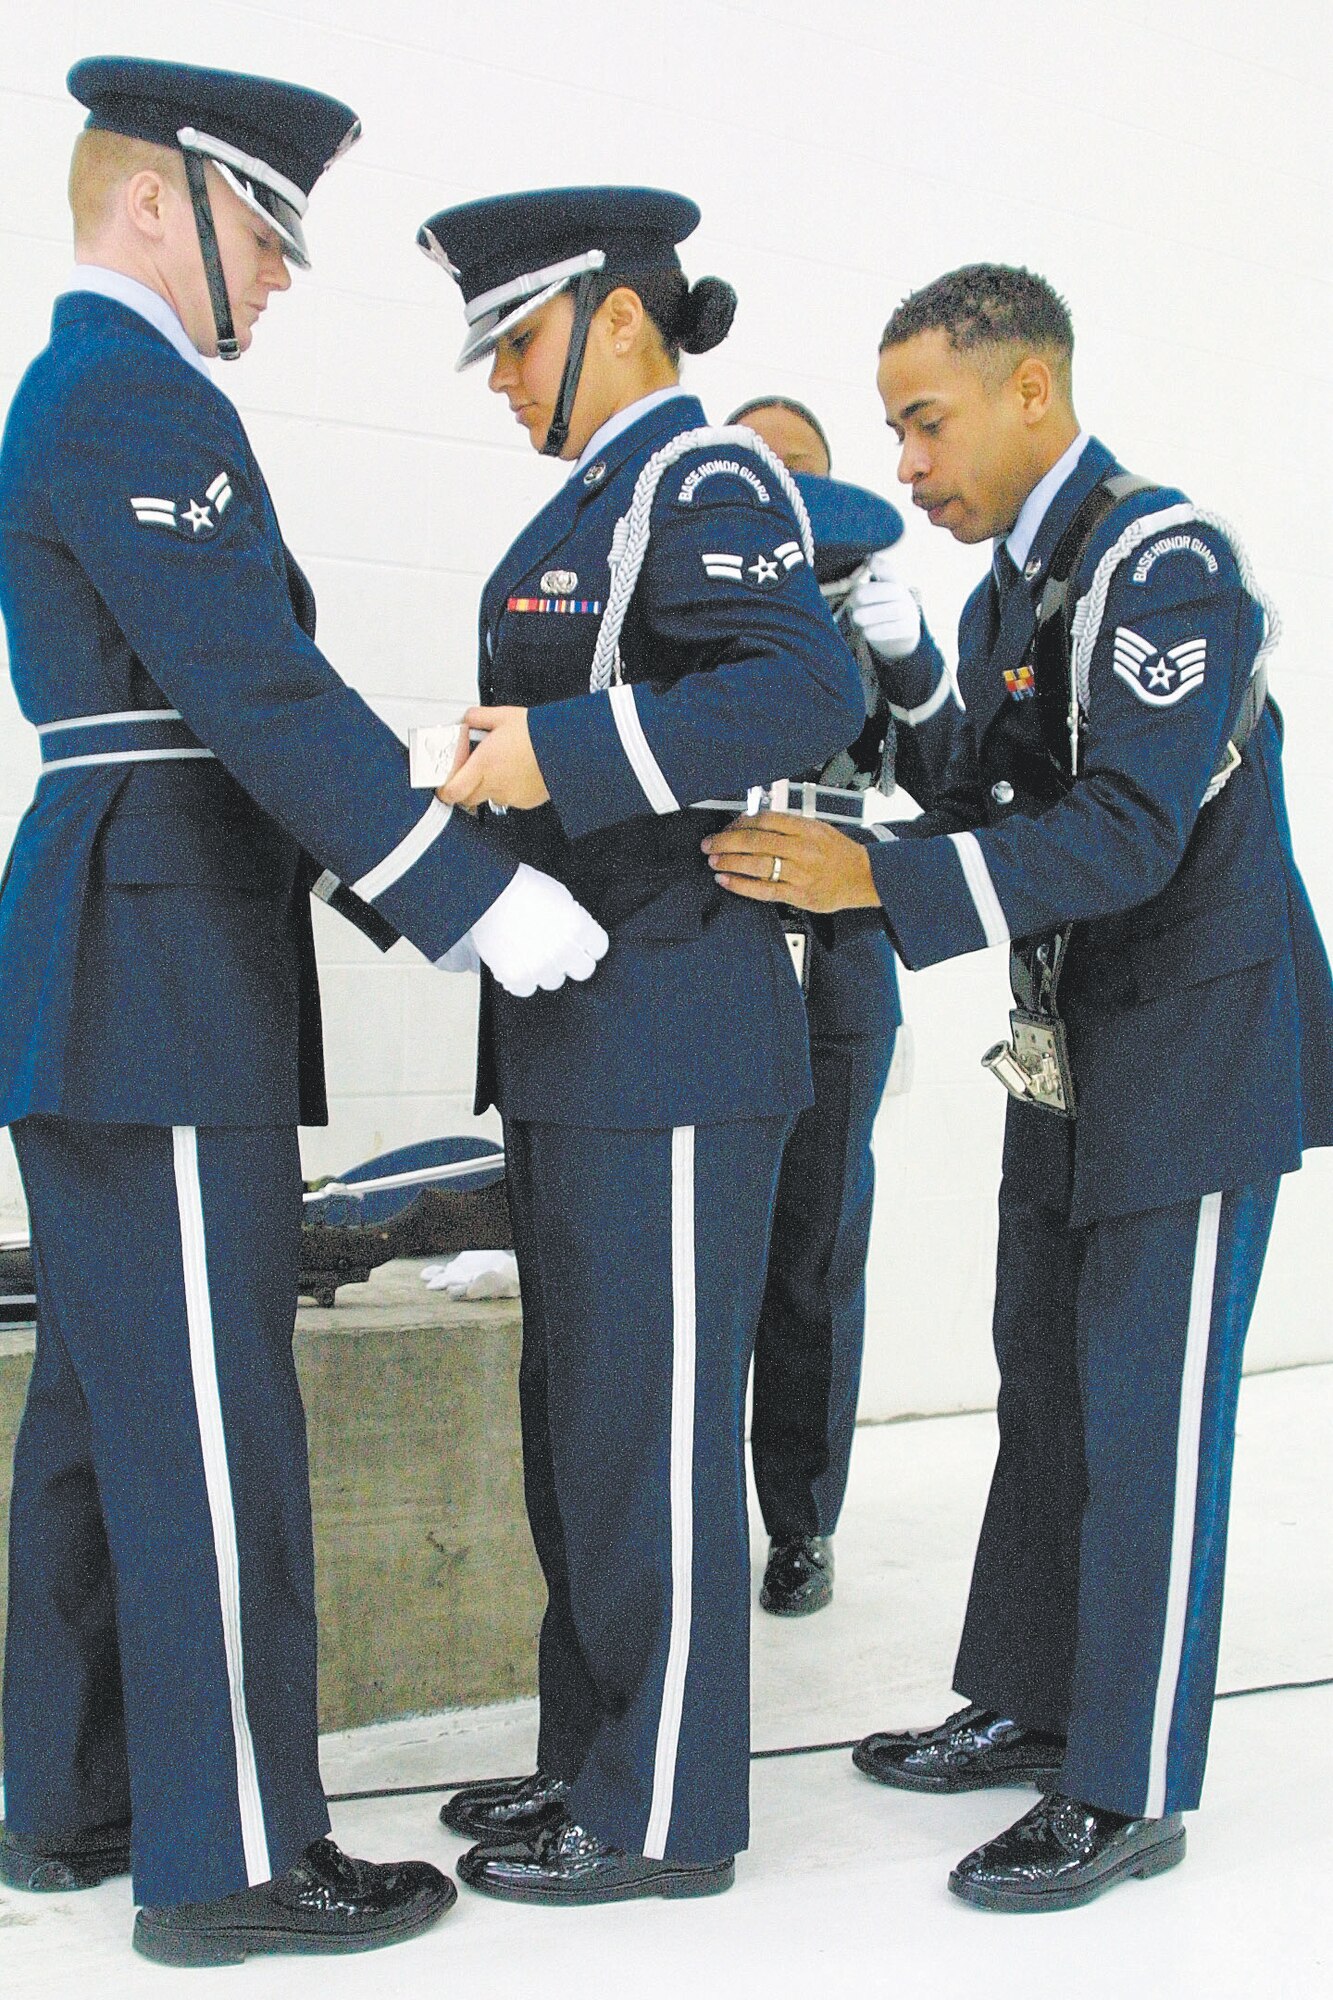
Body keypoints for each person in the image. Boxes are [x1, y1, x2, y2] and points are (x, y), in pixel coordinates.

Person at [0, 57, 606, 1968]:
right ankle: (234, 1860)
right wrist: (459, 890)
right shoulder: (122, 391)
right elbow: (254, 690)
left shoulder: (100, 393)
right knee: (205, 1423)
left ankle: (73, 1800)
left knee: (110, 1411)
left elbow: (245, 702)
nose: (277, 279)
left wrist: (407, 841)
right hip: (156, 968)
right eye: (265, 231)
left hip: (135, 958)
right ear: (165, 201)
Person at [702, 263, 1333, 1911]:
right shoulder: (1003, 589)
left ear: (1029, 392)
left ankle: (1121, 1785)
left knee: (1147, 1423)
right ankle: (1030, 1702)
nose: (903, 464)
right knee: (1044, 1391)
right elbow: (972, 790)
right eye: (897, 425)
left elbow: (1123, 829)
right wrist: (889, 683)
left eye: (924, 419)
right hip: (1071, 1056)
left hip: (1187, 1062)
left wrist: (870, 887)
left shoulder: (1159, 563)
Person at [416, 186, 864, 1903]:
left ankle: (664, 1815)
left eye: (515, 340)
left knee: (650, 1436)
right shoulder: (599, 498)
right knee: (584, 1430)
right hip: (586, 1034)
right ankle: (588, 1758)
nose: (495, 379)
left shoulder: (704, 477)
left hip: (673, 1027)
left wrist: (557, 754)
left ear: (617, 319)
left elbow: (799, 688)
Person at [724, 395, 961, 1616]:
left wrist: (916, 662)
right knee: (707, 1252)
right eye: (755, 467)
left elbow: (958, 780)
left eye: (803, 467)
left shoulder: (879, 620)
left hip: (842, 957)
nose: (783, 487)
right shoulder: (689, 607)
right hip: (716, 955)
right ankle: (693, 1510)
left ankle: (799, 1522)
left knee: (814, 1250)